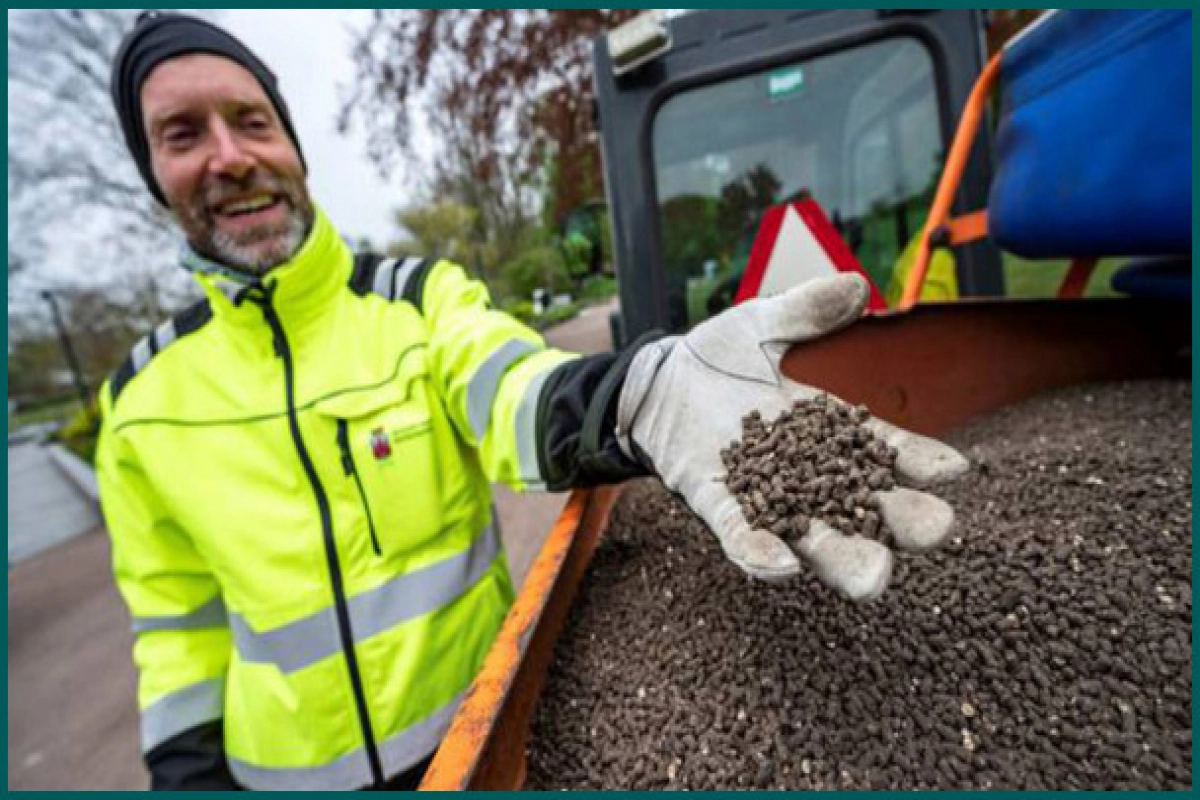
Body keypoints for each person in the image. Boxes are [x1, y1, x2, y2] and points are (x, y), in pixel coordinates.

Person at [98, 12, 968, 791]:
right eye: (182, 134)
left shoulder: (415, 300)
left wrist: (639, 391)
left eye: (251, 121)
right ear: (152, 173)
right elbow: (176, 633)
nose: (228, 156)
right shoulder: (139, 401)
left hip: (485, 743)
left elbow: (510, 386)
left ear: (291, 143)